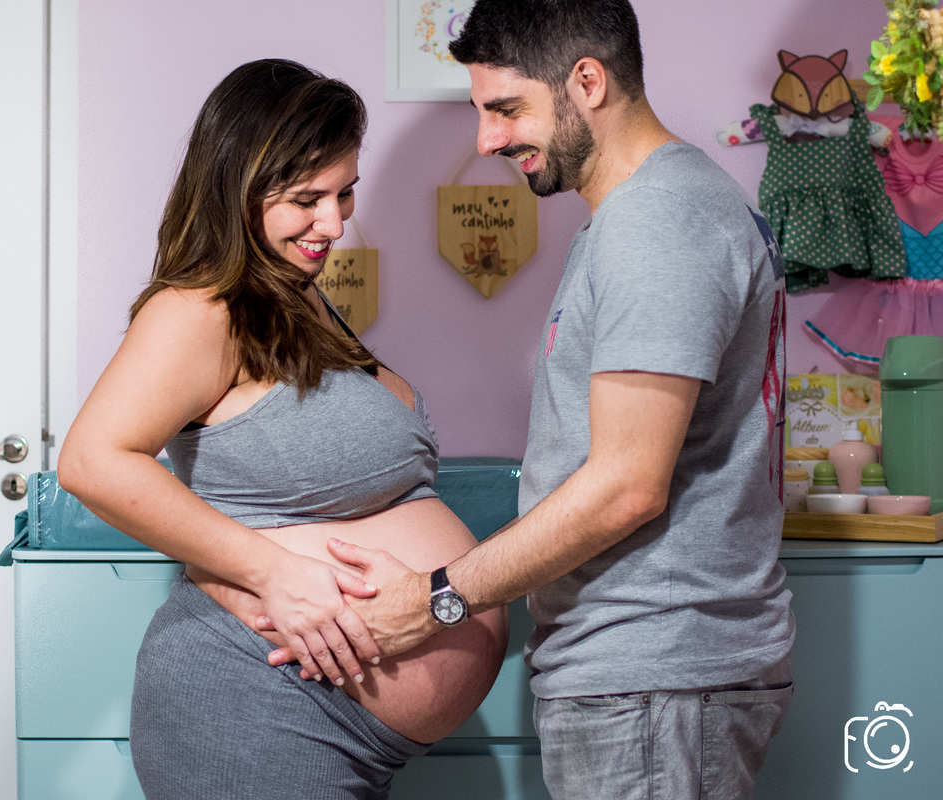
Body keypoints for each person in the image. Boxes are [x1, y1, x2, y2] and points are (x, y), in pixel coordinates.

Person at [278, 2, 797, 798]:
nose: (487, 140)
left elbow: (626, 485)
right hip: (646, 678)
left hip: (653, 675)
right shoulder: (644, 215)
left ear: (586, 82)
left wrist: (433, 601)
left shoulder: (657, 222)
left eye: (505, 107)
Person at [57, 58, 508, 799]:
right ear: (238, 189)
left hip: (323, 723)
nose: (334, 223)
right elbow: (92, 461)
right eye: (307, 199)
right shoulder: (202, 309)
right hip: (252, 705)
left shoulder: (298, 302)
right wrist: (272, 573)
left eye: (346, 193)